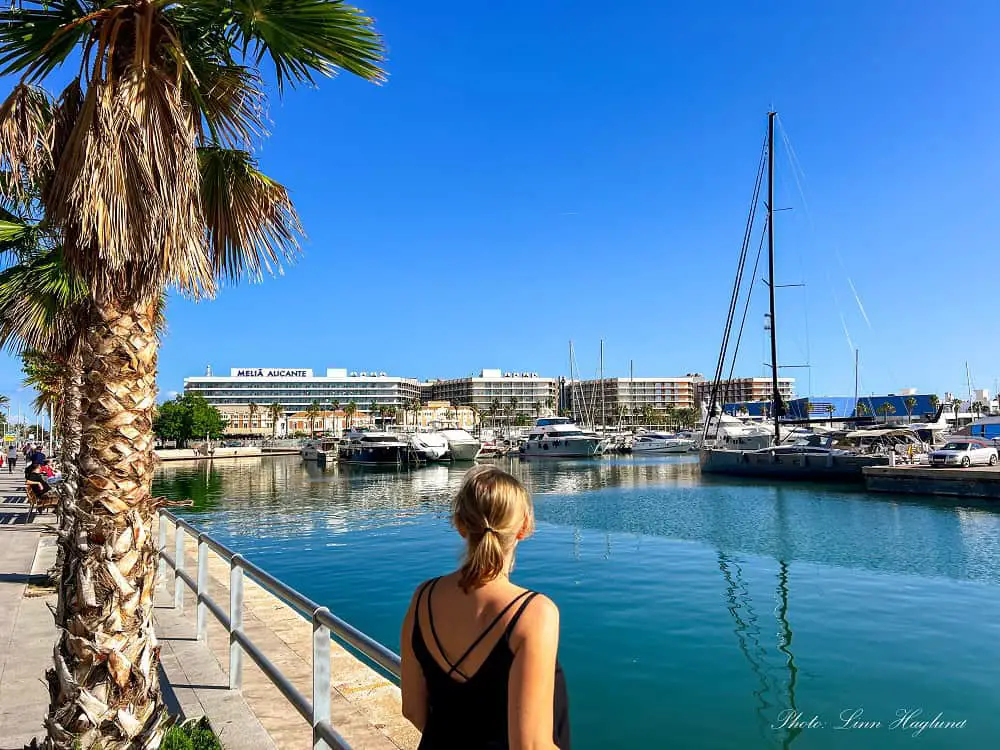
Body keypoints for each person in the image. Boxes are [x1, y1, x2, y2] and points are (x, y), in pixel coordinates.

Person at [401, 466, 570, 750]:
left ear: (459, 524)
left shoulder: (422, 598)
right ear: (525, 526)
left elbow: (413, 710)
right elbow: (530, 745)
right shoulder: (533, 614)